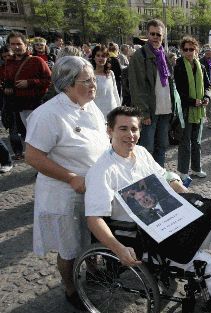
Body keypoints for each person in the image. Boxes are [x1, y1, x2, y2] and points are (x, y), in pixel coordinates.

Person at [85, 106, 211, 313]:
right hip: (141, 234)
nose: (130, 135)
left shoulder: (141, 153)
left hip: (169, 219)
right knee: (202, 263)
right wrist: (118, 248)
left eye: (134, 129)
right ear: (109, 131)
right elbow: (94, 219)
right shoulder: (102, 171)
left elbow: (164, 176)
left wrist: (183, 193)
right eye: (123, 129)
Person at [24, 56, 110, 310]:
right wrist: (71, 177)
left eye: (94, 79)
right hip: (64, 192)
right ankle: (71, 289)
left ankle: (94, 270)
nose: (94, 85)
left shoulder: (90, 105)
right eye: (87, 81)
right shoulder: (48, 114)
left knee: (93, 236)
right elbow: (33, 156)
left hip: (93, 188)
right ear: (67, 84)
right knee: (69, 246)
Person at [128, 19, 177, 167]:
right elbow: (137, 87)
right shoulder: (140, 56)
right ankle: (146, 180)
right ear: (147, 35)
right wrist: (143, 112)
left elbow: (170, 84)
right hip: (150, 111)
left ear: (163, 36)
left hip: (165, 109)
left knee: (162, 147)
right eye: (152, 34)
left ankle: (160, 177)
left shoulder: (165, 56)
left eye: (159, 35)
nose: (155, 37)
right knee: (146, 149)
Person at [174, 36, 210, 181]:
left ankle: (196, 168)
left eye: (192, 49)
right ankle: (183, 170)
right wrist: (191, 101)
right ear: (182, 51)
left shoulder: (201, 66)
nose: (189, 52)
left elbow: (207, 85)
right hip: (186, 109)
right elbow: (177, 90)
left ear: (196, 50)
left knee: (197, 141)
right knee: (185, 141)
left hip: (199, 109)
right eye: (186, 49)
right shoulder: (179, 66)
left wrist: (206, 98)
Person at [2, 31, 51, 128]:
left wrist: (30, 82)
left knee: (39, 135)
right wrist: (7, 86)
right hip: (17, 106)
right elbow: (7, 79)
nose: (16, 47)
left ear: (26, 45)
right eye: (13, 44)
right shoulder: (9, 62)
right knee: (25, 136)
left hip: (36, 105)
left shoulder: (37, 61)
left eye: (19, 44)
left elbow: (49, 80)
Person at [0, 45, 24, 160]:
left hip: (23, 101)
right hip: (9, 103)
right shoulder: (2, 68)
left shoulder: (20, 64)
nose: (6, 58)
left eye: (8, 55)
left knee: (26, 129)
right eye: (4, 56)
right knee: (13, 130)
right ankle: (18, 152)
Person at [90, 44, 120, 117]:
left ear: (107, 58)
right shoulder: (90, 75)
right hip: (97, 114)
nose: (101, 58)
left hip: (112, 112)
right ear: (94, 57)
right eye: (98, 55)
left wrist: (119, 110)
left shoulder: (111, 74)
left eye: (103, 56)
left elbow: (115, 93)